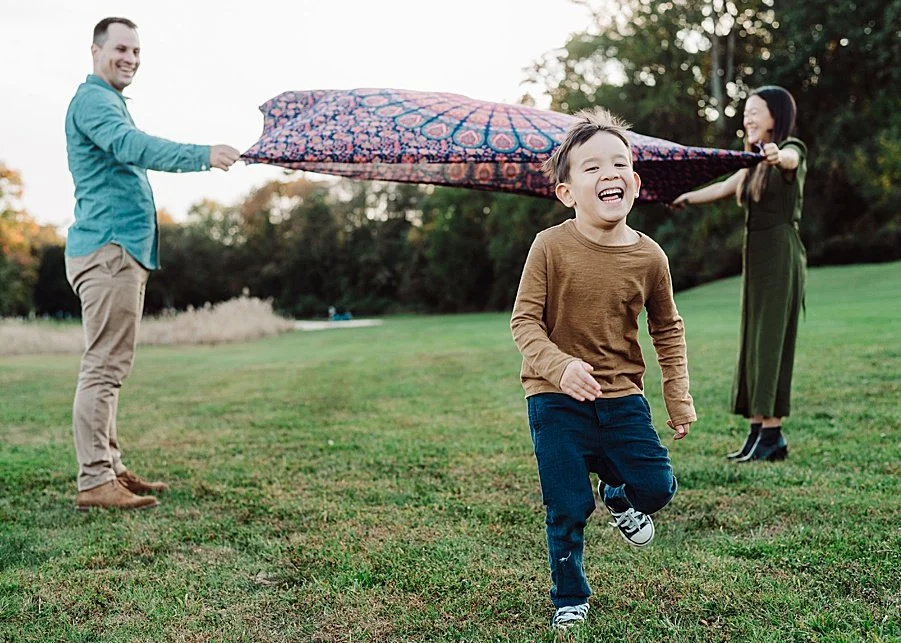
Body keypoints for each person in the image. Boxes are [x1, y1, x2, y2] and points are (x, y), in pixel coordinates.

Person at [511, 108, 696, 630]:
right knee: (568, 506)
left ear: (634, 182)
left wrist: (677, 397)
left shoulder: (650, 257)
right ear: (567, 192)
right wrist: (559, 366)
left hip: (622, 398)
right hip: (554, 399)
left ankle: (618, 494)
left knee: (657, 488)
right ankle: (570, 596)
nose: (607, 173)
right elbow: (524, 322)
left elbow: (668, 329)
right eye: (590, 168)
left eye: (619, 163)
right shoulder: (549, 247)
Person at [65, 17, 241, 510]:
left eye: (137, 51)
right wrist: (202, 154)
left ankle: (111, 468)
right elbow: (132, 147)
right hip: (108, 251)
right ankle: (95, 480)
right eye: (122, 48)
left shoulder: (107, 103)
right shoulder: (95, 101)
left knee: (111, 365)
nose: (132, 59)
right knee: (103, 366)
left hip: (117, 252)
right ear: (96, 50)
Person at [671, 86, 805, 463]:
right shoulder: (751, 162)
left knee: (770, 343)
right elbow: (721, 188)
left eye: (756, 112)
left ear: (775, 118)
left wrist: (778, 156)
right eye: (745, 112)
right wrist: (683, 197)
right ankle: (758, 431)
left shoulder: (788, 149)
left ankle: (773, 433)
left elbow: (792, 159)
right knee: (753, 341)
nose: (747, 118)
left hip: (781, 256)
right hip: (758, 258)